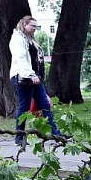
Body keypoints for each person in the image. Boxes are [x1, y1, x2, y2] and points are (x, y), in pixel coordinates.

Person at [9, 15, 68, 145]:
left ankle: (56, 134)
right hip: (24, 77)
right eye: (32, 26)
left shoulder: (31, 40)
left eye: (36, 26)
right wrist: (30, 75)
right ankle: (19, 137)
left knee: (45, 105)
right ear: (24, 25)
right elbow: (21, 59)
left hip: (36, 78)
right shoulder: (18, 39)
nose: (35, 29)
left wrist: (37, 76)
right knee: (24, 107)